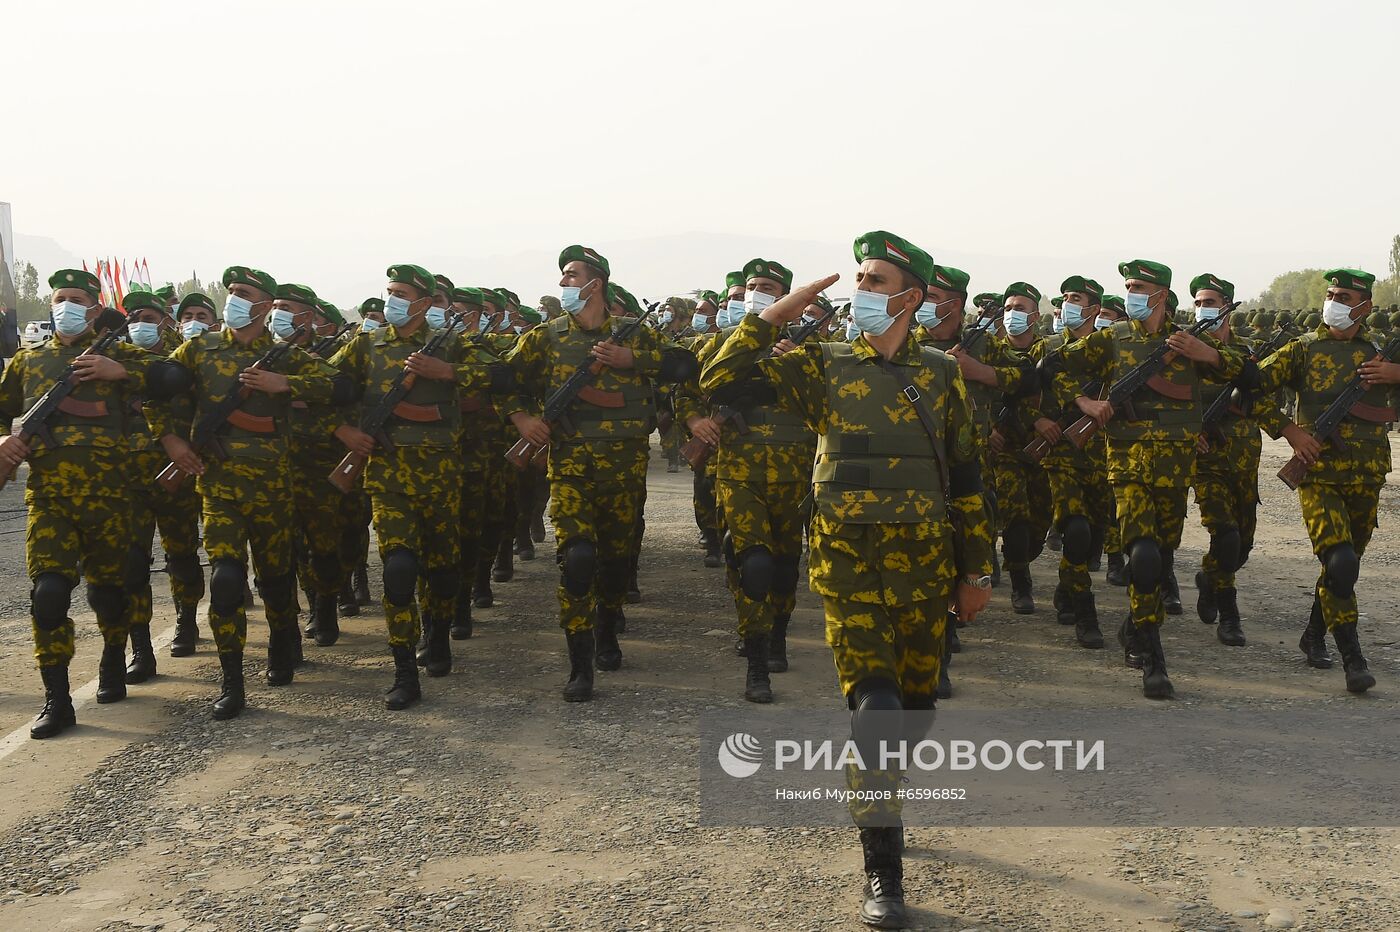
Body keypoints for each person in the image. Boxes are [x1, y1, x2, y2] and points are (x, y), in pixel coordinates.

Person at [702, 232, 993, 928]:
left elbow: (969, 478)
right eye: (857, 277)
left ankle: (882, 791)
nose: (859, 289)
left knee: (913, 709)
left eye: (875, 279)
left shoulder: (941, 374)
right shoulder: (823, 366)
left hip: (925, 568)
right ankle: (882, 872)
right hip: (849, 567)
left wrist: (976, 569)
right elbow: (718, 378)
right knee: (878, 710)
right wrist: (778, 311)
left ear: (910, 297)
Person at [500, 245, 697, 702]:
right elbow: (504, 380)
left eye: (572, 275)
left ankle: (608, 627)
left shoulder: (635, 338)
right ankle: (580, 660)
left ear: (597, 283)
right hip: (569, 469)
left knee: (613, 560)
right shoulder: (546, 337)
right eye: (563, 276)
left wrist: (634, 361)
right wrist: (521, 420)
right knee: (578, 559)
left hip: (624, 472)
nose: (565, 283)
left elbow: (686, 366)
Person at [148, 265, 342, 719]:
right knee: (227, 580)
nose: (233, 298)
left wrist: (286, 384)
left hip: (274, 488)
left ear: (262, 305)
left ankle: (282, 638)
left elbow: (338, 386)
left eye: (242, 293)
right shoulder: (198, 350)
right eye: (230, 291)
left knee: (275, 579)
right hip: (218, 488)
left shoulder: (283, 355)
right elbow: (158, 393)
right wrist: (173, 441)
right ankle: (231, 680)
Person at [1050, 259, 1242, 699]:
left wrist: (1208, 354)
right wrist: (1082, 402)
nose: (1131, 292)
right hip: (1127, 465)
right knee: (1143, 555)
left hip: (1174, 470)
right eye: (1128, 286)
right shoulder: (1112, 339)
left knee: (1161, 555)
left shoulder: (1188, 340)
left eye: (1138, 286)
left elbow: (1250, 375)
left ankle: (1135, 625)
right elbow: (1053, 368)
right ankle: (1153, 657)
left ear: (1160, 295)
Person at [0, 270, 156, 738]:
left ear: (94, 308)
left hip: (112, 498)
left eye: (76, 299)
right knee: (48, 594)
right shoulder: (29, 363)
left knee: (107, 594)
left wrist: (124, 370)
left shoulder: (120, 354)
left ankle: (112, 656)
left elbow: (177, 380)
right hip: (50, 498)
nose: (65, 306)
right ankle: (57, 699)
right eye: (59, 298)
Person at [327, 264, 488, 709]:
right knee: (398, 572)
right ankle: (402, 671)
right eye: (389, 291)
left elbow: (502, 379)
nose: (392, 300)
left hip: (441, 478)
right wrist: (344, 432)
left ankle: (437, 635)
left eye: (401, 293)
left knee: (441, 571)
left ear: (423, 301)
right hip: (388, 478)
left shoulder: (454, 344)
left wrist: (447, 372)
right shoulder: (366, 345)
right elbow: (323, 386)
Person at [1253, 268, 1397, 693]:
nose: (1333, 300)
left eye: (1344, 295)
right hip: (1318, 474)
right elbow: (1251, 390)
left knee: (1343, 568)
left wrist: (1396, 375)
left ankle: (1313, 633)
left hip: (1366, 473)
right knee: (1340, 560)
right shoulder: (1303, 349)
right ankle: (1352, 657)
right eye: (1330, 293)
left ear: (1365, 307)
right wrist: (1290, 432)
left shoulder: (1379, 354)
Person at [119, 290, 206, 681]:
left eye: (150, 316)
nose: (142, 323)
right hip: (128, 476)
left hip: (176, 469)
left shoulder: (185, 356)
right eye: (135, 316)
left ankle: (187, 620)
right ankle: (140, 646)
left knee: (182, 553)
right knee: (133, 562)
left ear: (166, 320)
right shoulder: (112, 358)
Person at [1038, 276, 1113, 647]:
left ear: (1094, 309)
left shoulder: (1112, 348)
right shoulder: (1050, 347)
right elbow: (1023, 391)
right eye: (1065, 297)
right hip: (1062, 455)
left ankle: (1067, 587)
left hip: (1104, 457)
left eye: (1076, 298)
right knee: (1077, 530)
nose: (1067, 303)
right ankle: (1086, 611)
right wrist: (1037, 419)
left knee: (1095, 535)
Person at [1188, 274, 1259, 646]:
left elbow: (1263, 398)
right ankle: (1230, 615)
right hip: (1206, 459)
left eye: (1211, 302)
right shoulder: (1185, 351)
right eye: (1198, 303)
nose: (1203, 309)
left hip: (1245, 457)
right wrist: (1190, 430)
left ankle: (1208, 577)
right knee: (1226, 534)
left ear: (1227, 307)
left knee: (1242, 546)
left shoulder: (1249, 351)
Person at [988, 283, 1052, 615]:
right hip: (1005, 452)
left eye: (1022, 308)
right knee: (1015, 516)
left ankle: (1021, 559)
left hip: (1042, 450)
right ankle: (1020, 584)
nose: (1014, 314)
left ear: (1036, 316)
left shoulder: (1049, 353)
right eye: (1009, 307)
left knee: (1040, 522)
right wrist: (987, 430)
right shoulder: (989, 352)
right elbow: (974, 399)